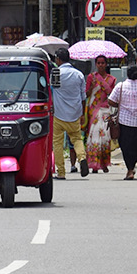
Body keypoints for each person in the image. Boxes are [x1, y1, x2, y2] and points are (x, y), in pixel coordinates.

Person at [52, 50, 88, 179]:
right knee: (77, 139)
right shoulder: (78, 74)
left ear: (58, 59)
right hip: (74, 113)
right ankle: (82, 158)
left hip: (58, 114)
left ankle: (61, 172)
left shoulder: (55, 74)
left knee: (57, 143)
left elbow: (51, 91)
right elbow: (83, 97)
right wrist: (82, 113)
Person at [84, 56, 118, 174]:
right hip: (93, 111)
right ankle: (94, 164)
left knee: (104, 138)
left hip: (105, 111)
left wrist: (103, 84)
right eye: (98, 63)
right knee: (93, 137)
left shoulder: (112, 79)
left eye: (103, 63)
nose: (100, 65)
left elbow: (112, 94)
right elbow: (87, 94)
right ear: (96, 64)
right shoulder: (91, 77)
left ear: (106, 64)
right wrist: (92, 86)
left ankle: (104, 164)